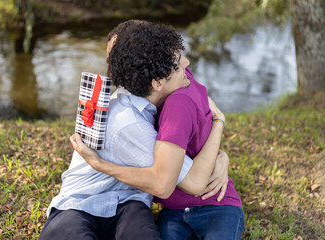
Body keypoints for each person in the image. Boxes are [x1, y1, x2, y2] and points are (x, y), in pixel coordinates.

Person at [40, 21, 230, 240]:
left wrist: (221, 157)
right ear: (158, 83)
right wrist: (219, 123)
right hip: (81, 203)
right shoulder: (127, 122)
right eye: (178, 65)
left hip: (130, 203)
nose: (186, 63)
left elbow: (198, 97)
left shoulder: (150, 91)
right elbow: (192, 182)